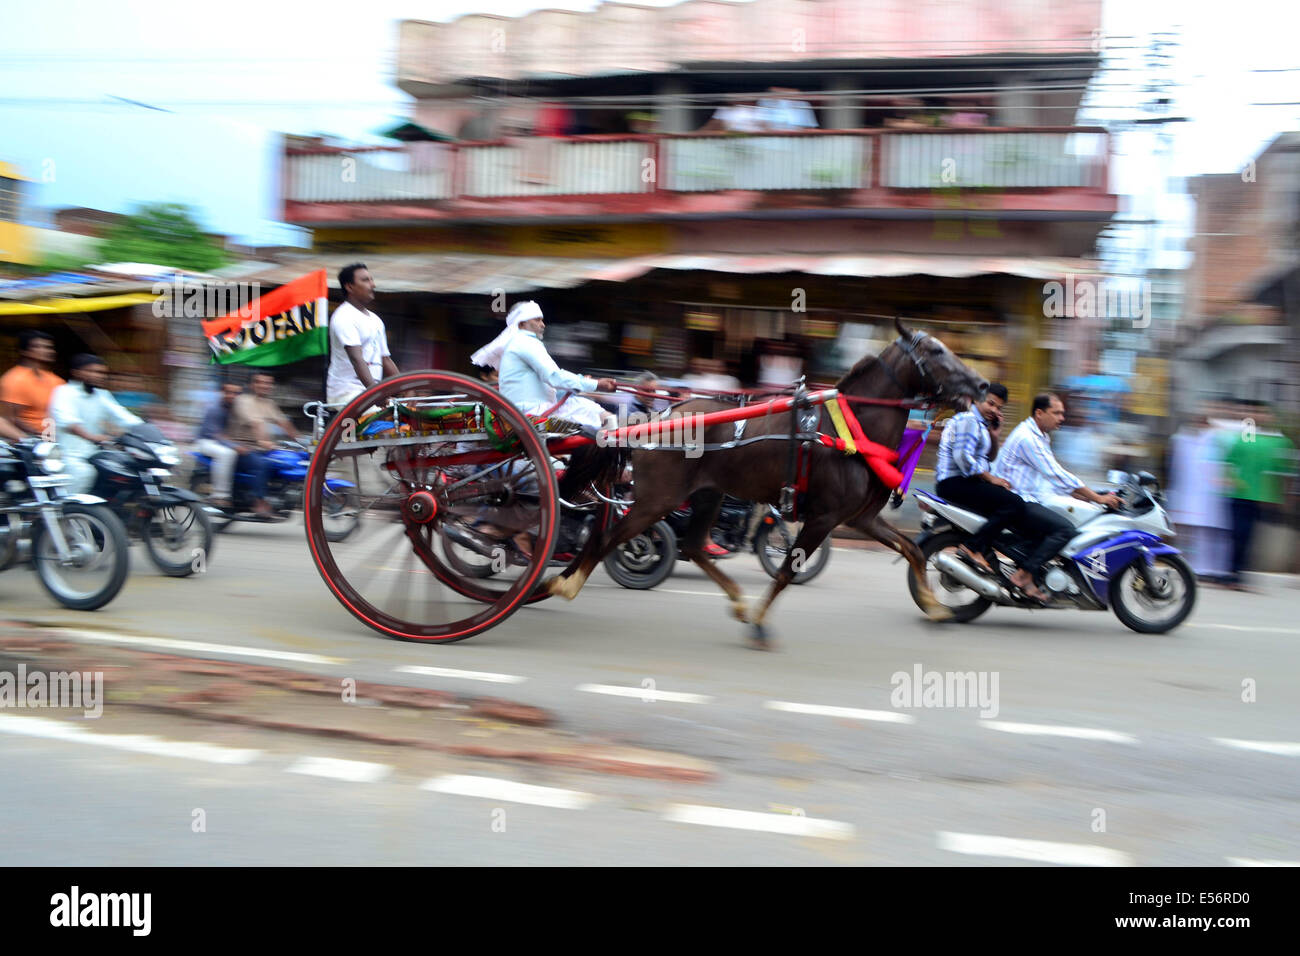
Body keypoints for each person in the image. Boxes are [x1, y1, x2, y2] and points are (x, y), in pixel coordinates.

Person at [993, 393, 1121, 598]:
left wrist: (1084, 495)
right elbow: (1055, 473)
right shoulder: (1029, 438)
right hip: (1017, 501)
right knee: (1065, 530)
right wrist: (1096, 497)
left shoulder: (1040, 436)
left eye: (1062, 413)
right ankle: (1024, 575)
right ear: (1039, 413)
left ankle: (1038, 572)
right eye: (1056, 413)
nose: (1061, 418)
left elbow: (1048, 478)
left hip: (1028, 497)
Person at [933, 384, 1047, 593]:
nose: (994, 410)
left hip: (966, 481)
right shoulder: (968, 420)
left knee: (1009, 501)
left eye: (999, 407)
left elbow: (989, 457)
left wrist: (994, 435)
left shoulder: (981, 423)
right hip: (955, 483)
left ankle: (989, 551)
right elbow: (962, 459)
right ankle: (974, 546)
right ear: (977, 399)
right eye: (990, 403)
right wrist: (991, 478)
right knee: (1014, 504)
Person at [470, 301, 616, 432]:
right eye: (537, 319)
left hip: (526, 409)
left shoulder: (518, 343)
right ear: (522, 324)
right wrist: (596, 384)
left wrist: (580, 383)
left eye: (542, 320)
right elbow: (554, 377)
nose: (543, 325)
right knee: (606, 418)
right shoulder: (525, 342)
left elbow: (551, 383)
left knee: (589, 409)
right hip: (531, 412)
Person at [1223, 401, 1296, 591]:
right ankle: (1234, 574)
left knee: (1250, 537)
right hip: (1240, 494)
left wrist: (1284, 496)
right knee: (1238, 534)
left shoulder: (1279, 441)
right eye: (1252, 412)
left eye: (1260, 413)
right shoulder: (1243, 438)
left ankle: (1240, 574)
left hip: (1263, 498)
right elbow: (1229, 462)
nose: (1256, 416)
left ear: (1269, 416)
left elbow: (1285, 471)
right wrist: (1231, 481)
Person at [48, 354, 143, 494]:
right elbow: (68, 421)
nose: (100, 376)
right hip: (67, 454)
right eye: (93, 371)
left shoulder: (102, 395)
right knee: (84, 473)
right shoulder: (64, 392)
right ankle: (65, 510)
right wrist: (92, 437)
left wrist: (144, 431)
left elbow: (123, 416)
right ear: (76, 372)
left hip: (94, 452)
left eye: (102, 373)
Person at [1167, 408, 1232, 583]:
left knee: (1208, 537)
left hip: (1210, 498)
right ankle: (1190, 567)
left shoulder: (1218, 440)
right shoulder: (1183, 440)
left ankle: (1208, 569)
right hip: (1190, 496)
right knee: (1190, 536)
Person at [327, 263, 399, 407]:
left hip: (368, 392)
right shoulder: (344, 316)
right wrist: (375, 394)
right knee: (382, 428)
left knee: (406, 423)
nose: (373, 285)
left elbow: (386, 360)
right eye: (365, 280)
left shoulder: (375, 320)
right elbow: (356, 358)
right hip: (346, 393)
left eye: (371, 280)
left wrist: (406, 388)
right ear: (349, 287)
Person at [227, 371, 297, 517]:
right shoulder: (244, 400)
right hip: (242, 448)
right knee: (262, 464)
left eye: (268, 383)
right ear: (253, 385)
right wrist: (262, 441)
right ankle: (258, 502)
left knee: (285, 463)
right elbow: (255, 423)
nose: (264, 386)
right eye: (260, 382)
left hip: (261, 449)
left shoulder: (269, 403)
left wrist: (302, 440)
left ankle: (277, 496)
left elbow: (283, 422)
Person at [1, 330, 65, 437]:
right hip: (29, 441)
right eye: (39, 347)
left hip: (56, 439)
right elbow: (10, 419)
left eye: (49, 347)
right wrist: (38, 435)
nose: (48, 351)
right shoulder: (14, 379)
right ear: (25, 351)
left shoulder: (57, 381)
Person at [193, 381, 243, 509]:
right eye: (229, 392)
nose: (232, 395)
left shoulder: (234, 410)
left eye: (236, 393)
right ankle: (220, 495)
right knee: (227, 454)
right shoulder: (215, 409)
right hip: (206, 442)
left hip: (222, 442)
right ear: (222, 393)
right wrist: (234, 445)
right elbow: (216, 435)